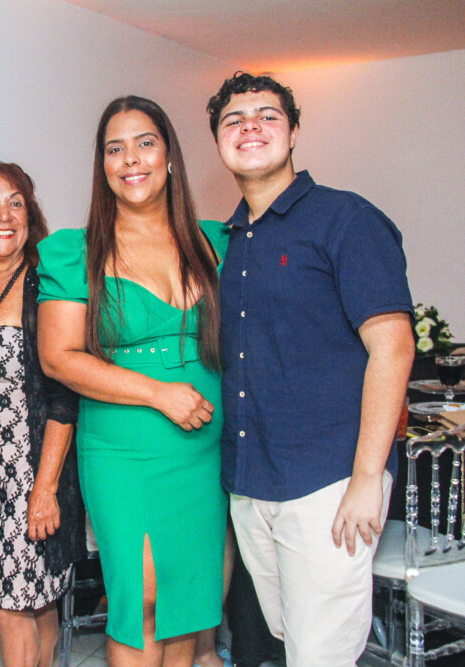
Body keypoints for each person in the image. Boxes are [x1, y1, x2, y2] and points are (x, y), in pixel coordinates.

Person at [207, 72, 415, 666]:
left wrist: (367, 479)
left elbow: (394, 347)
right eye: (233, 120)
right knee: (289, 637)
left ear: (294, 132)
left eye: (268, 116)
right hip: (251, 481)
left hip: (329, 481)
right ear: (219, 141)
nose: (250, 126)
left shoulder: (345, 218)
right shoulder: (231, 240)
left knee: (322, 652)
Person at [37, 95, 228, 667]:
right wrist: (157, 394)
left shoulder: (216, 241)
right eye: (114, 149)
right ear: (102, 165)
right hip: (124, 448)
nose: (131, 160)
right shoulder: (76, 251)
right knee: (141, 599)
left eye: (145, 143)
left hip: (207, 447)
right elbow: (58, 358)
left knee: (190, 602)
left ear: (169, 155)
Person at [0, 162, 85, 667]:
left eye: (16, 203)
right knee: (35, 604)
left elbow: (64, 396)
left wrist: (44, 490)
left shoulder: (42, 287)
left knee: (10, 609)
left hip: (30, 476)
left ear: (30, 217)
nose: (3, 215)